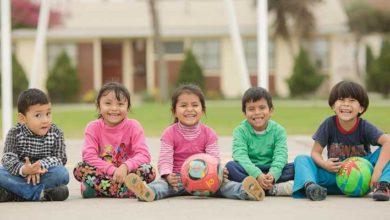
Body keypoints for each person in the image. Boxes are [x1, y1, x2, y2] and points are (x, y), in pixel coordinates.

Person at [125, 84, 264, 202]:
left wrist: (219, 171)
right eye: (183, 105)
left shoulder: (209, 133)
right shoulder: (169, 133)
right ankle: (146, 191)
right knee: (161, 185)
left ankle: (247, 191)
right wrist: (167, 175)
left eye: (195, 105)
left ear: (202, 110)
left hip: (206, 179)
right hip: (178, 179)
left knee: (225, 185)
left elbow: (214, 158)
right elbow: (164, 159)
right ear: (174, 111)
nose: (190, 109)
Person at [293, 80, 390, 201]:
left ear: (361, 108)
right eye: (341, 99)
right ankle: (311, 187)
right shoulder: (329, 124)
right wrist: (325, 164)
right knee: (301, 159)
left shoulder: (364, 126)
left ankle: (383, 185)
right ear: (333, 106)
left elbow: (388, 142)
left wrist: (377, 171)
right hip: (335, 175)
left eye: (352, 100)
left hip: (364, 178)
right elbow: (315, 152)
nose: (346, 104)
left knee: (386, 153)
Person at [73, 82, 155, 198]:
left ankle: (98, 189)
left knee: (149, 170)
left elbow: (144, 155)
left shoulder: (134, 126)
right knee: (79, 169)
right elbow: (88, 156)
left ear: (128, 108)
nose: (114, 108)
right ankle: (127, 191)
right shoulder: (93, 127)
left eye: (120, 104)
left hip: (128, 174)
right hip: (104, 173)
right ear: (99, 106)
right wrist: (112, 170)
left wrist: (125, 166)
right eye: (108, 103)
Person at [0, 88, 69, 202]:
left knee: (61, 173)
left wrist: (38, 167)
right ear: (23, 118)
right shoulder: (15, 132)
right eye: (38, 115)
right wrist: (25, 170)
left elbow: (61, 158)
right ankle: (39, 194)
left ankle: (15, 194)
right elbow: (8, 158)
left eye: (48, 113)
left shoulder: (56, 132)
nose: (45, 120)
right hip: (20, 174)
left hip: (43, 174)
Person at [225, 87, 294, 196]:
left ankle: (264, 187)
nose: (257, 113)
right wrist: (257, 175)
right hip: (250, 171)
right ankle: (261, 187)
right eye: (251, 109)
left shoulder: (279, 130)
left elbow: (281, 155)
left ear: (271, 110)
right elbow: (240, 155)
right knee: (231, 167)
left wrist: (273, 174)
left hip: (271, 170)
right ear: (244, 113)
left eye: (262, 108)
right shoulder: (240, 131)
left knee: (295, 167)